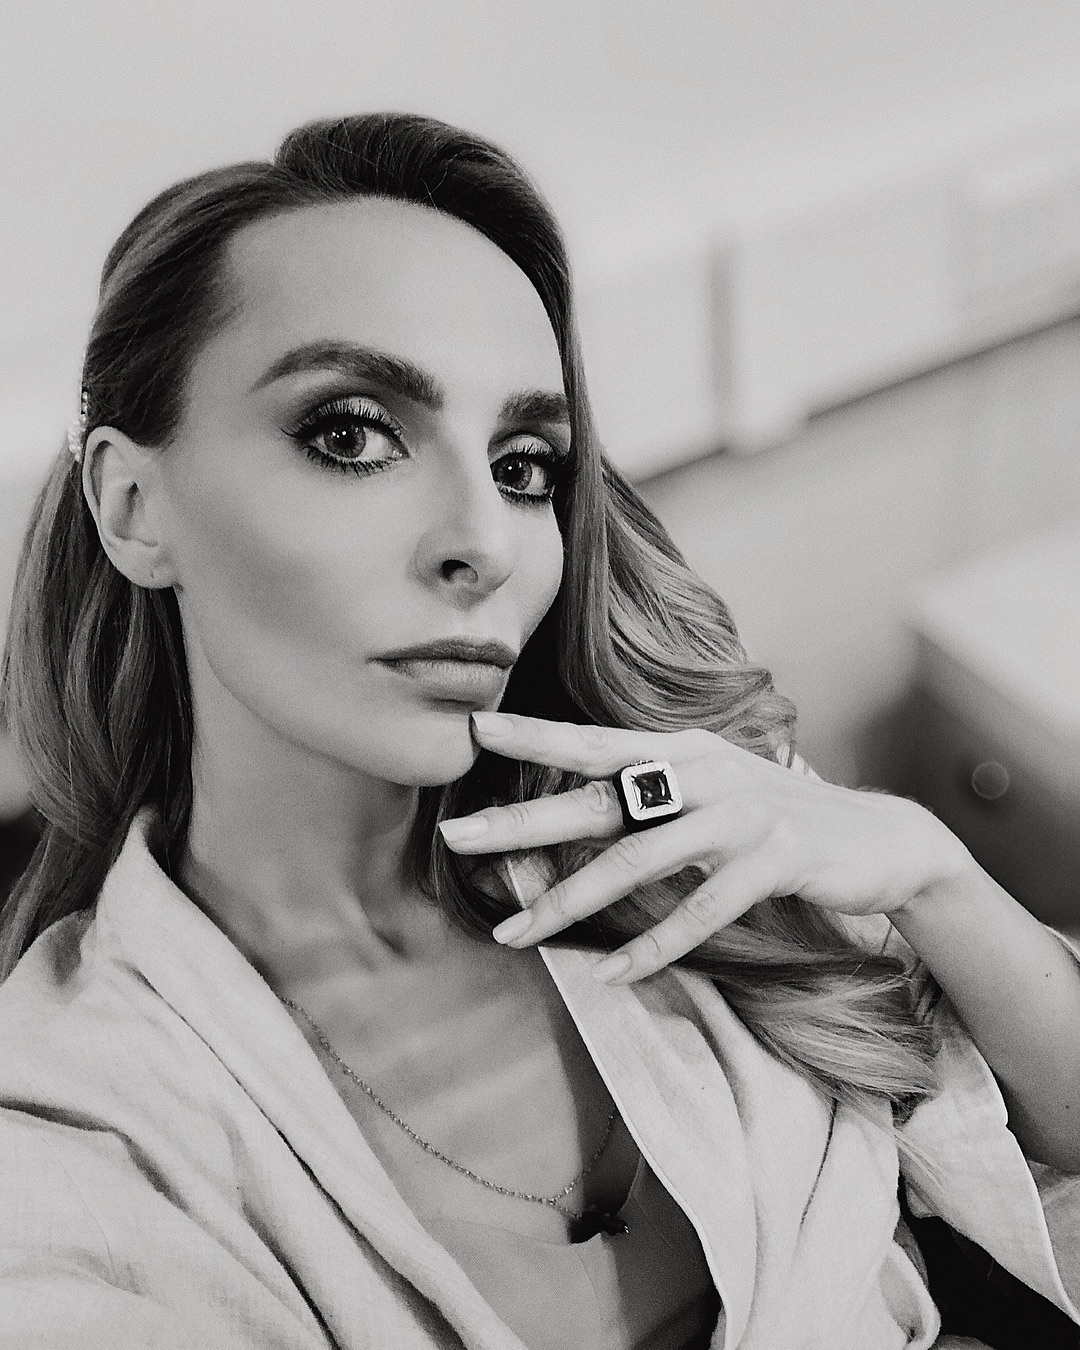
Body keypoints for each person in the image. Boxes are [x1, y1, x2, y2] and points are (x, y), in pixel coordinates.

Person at [0, 112, 1078, 1350]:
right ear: (133, 507)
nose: (486, 542)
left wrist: (930, 873)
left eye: (523, 464)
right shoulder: (75, 1137)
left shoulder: (686, 824)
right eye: (350, 435)